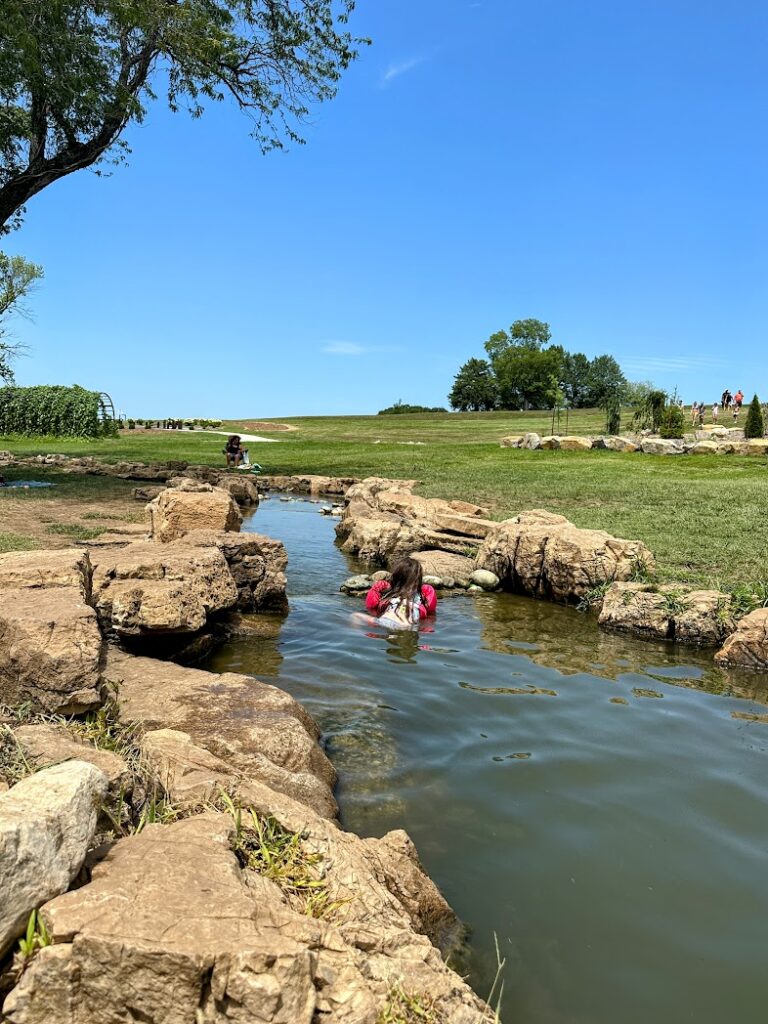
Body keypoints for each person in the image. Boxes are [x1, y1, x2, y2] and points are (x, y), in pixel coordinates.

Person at [365, 557, 437, 629]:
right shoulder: (421, 596)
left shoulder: (388, 594)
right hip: (408, 621)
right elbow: (430, 614)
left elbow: (371, 607)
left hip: (388, 618)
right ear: (418, 580)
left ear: (394, 578)